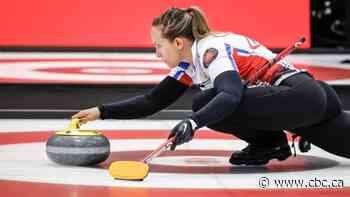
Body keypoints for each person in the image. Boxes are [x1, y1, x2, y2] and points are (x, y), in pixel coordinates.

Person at [73, 6, 350, 166]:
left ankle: (269, 144)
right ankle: (271, 143)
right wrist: (101, 111)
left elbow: (230, 96)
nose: (156, 53)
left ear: (178, 43)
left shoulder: (210, 50)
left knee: (204, 103)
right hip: (311, 99)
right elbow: (153, 101)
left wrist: (192, 124)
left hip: (299, 98)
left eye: (158, 45)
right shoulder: (190, 64)